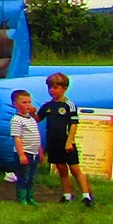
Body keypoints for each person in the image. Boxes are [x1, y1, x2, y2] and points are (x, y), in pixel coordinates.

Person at [36, 72, 95, 205]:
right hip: (53, 142)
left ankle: (86, 195)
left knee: (75, 169)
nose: (52, 91)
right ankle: (67, 195)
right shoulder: (47, 106)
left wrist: (69, 141)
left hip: (66, 142)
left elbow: (74, 124)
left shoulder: (69, 105)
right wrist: (31, 112)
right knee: (61, 168)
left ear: (64, 88)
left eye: (55, 88)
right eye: (50, 88)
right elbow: (38, 119)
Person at [8, 89, 41, 204]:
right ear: (15, 104)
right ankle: (22, 198)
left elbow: (36, 135)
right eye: (24, 102)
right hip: (24, 153)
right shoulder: (16, 120)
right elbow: (17, 138)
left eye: (29, 102)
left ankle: (30, 197)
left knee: (32, 178)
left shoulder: (31, 119)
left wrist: (40, 151)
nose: (28, 105)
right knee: (23, 177)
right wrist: (21, 154)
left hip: (34, 153)